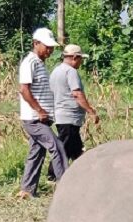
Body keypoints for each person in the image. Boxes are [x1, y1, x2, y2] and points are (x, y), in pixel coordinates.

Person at [17, 27, 65, 200]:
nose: (50, 50)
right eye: (47, 47)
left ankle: (27, 190)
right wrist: (39, 110)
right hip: (34, 118)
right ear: (36, 43)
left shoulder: (40, 63)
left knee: (36, 153)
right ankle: (67, 186)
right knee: (57, 147)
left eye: (51, 47)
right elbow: (24, 90)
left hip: (41, 118)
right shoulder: (29, 62)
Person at [48, 43, 100, 177]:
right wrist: (91, 111)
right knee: (64, 147)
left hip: (61, 115)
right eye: (80, 59)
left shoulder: (56, 71)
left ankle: (84, 172)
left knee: (76, 149)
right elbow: (77, 94)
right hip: (69, 117)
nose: (81, 62)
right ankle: (52, 175)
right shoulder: (70, 72)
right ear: (75, 57)